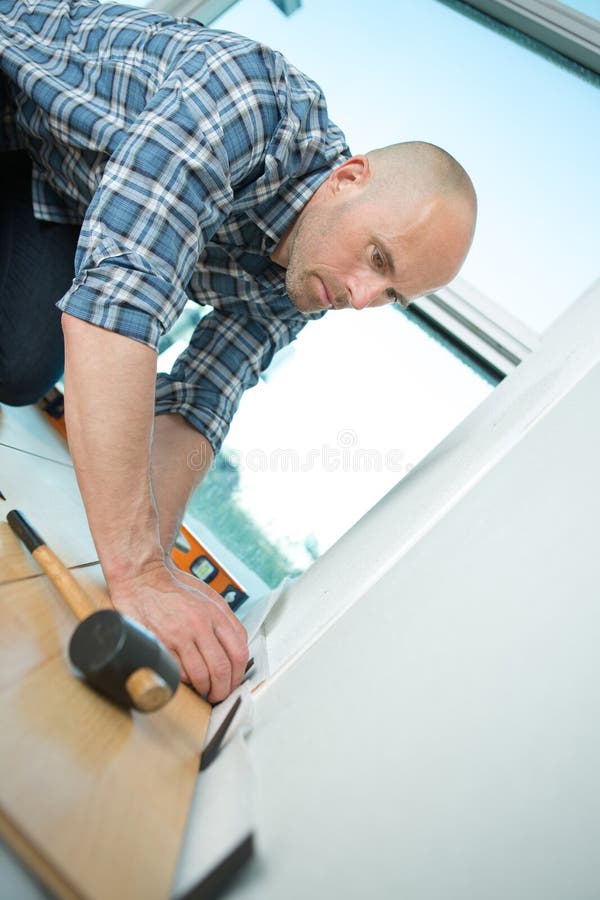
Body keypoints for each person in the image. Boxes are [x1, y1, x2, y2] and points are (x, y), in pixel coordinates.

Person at [0, 0, 477, 703]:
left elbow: (198, 406)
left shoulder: (308, 282)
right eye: (377, 256)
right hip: (12, 91)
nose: (361, 295)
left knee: (18, 367)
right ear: (346, 177)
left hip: (56, 187)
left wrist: (153, 567)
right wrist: (134, 571)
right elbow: (119, 306)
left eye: (393, 294)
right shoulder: (244, 100)